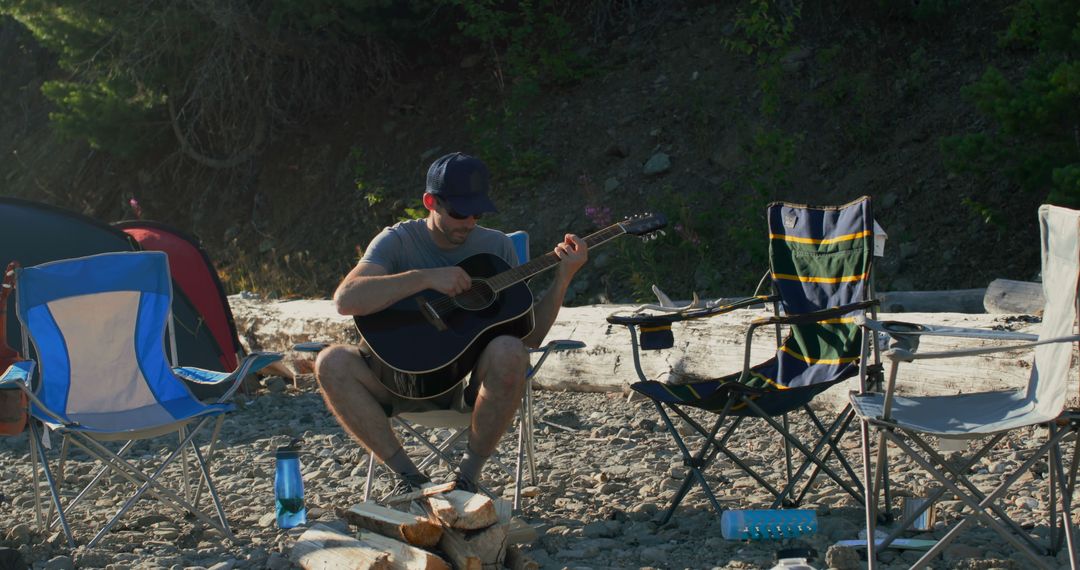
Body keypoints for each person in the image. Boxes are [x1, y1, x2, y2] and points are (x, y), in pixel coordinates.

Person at [315, 152, 589, 493]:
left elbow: (529, 338)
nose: (470, 222)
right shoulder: (398, 240)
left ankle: (467, 479)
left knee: (510, 350)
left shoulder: (497, 248)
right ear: (431, 202)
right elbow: (346, 300)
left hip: (466, 388)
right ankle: (410, 479)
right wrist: (425, 278)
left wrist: (563, 278)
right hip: (394, 382)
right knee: (331, 361)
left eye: (477, 212)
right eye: (460, 212)